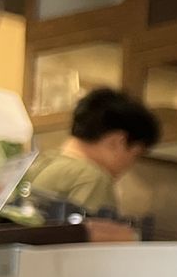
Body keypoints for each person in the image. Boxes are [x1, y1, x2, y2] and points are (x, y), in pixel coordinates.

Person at [20, 88, 160, 210]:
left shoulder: (39, 163)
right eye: (136, 154)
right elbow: (89, 237)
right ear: (118, 141)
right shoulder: (92, 178)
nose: (130, 165)